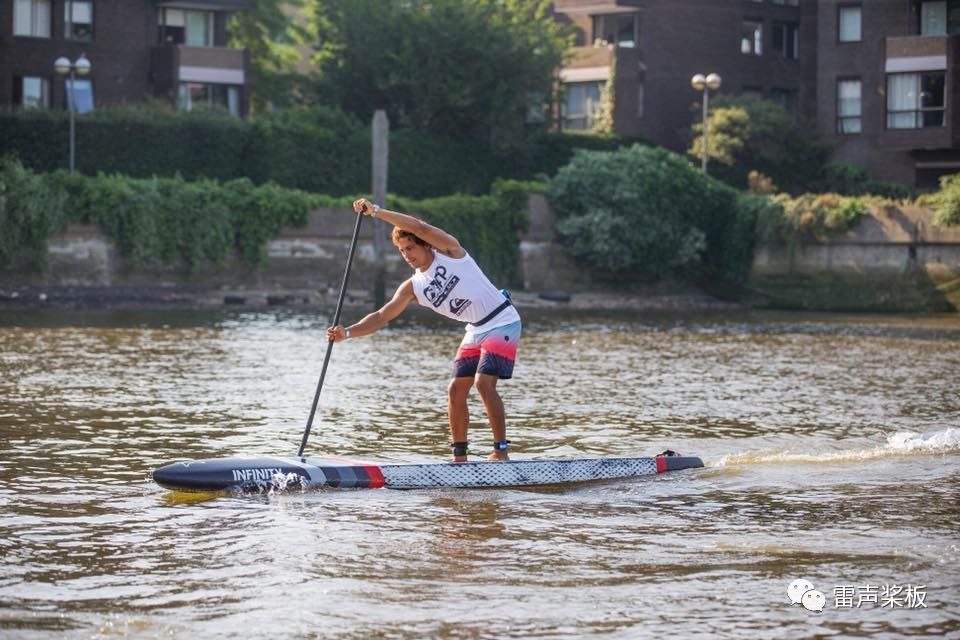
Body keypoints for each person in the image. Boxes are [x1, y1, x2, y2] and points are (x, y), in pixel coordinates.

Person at [326, 198, 521, 462]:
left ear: (425, 244)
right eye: (402, 251)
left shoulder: (451, 252)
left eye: (410, 247)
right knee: (455, 390)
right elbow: (382, 316)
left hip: (501, 320)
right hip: (475, 329)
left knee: (483, 384)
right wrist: (346, 333)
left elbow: (419, 226)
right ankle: (459, 457)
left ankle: (500, 452)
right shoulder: (413, 287)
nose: (407, 255)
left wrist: (376, 212)